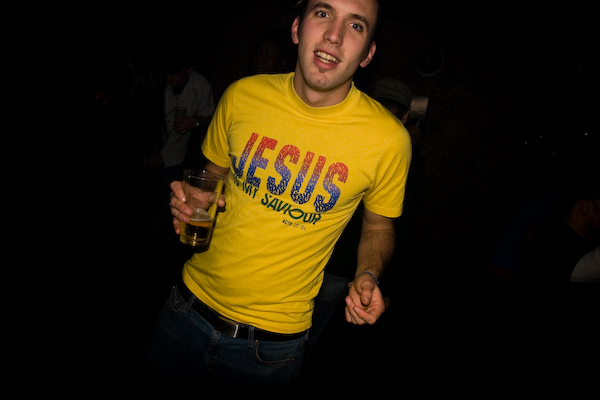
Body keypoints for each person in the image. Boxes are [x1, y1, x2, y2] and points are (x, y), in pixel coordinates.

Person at [148, 0, 412, 386]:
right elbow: (211, 176)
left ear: (369, 53)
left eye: (355, 25)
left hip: (270, 352)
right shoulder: (241, 95)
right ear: (296, 28)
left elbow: (378, 226)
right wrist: (191, 200)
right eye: (323, 13)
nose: (334, 35)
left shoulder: (389, 140)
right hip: (184, 312)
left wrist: (367, 274)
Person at [307, 78, 416, 351]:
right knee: (308, 333)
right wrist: (383, 284)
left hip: (331, 262)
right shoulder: (402, 154)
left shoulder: (348, 138)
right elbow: (401, 226)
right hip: (343, 266)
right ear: (406, 115)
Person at [145, 50, 216, 240]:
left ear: (188, 70)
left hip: (174, 155)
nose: (170, 77)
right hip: (147, 147)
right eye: (167, 72)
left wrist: (195, 123)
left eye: (175, 73)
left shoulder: (200, 85)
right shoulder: (155, 81)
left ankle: (149, 245)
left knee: (163, 203)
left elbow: (211, 120)